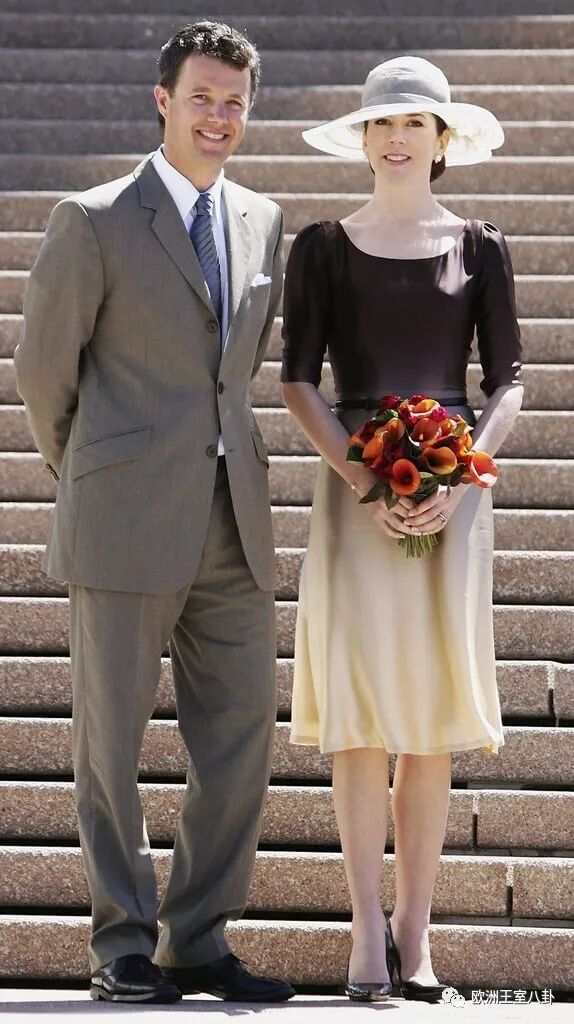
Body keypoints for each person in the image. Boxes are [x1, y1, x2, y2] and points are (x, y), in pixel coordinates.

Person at [15, 20, 295, 1005]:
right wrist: (93, 473)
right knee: (110, 748)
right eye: (201, 97)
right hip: (122, 517)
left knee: (242, 738)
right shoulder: (91, 219)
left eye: (234, 101)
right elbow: (43, 373)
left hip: (233, 520)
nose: (218, 117)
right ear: (162, 100)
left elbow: (239, 369)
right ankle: (123, 942)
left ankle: (196, 939)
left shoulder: (262, 220)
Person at [281, 56, 523, 1003]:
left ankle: (415, 936)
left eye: (414, 123)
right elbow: (298, 380)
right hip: (355, 493)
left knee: (427, 721)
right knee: (358, 720)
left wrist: (463, 479)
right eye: (382, 123)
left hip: (453, 496)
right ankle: (364, 931)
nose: (395, 137)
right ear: (363, 138)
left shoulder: (481, 246)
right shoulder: (322, 248)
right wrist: (361, 477)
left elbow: (509, 382)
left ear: (442, 138)